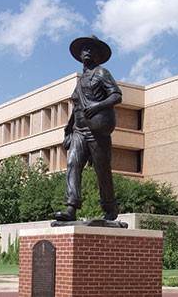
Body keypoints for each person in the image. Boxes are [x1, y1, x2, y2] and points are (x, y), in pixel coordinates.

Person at [55, 35, 122, 221]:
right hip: (79, 130)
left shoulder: (101, 73)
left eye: (92, 49)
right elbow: (77, 106)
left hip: (97, 130)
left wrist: (98, 106)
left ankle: (110, 207)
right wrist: (68, 129)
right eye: (85, 49)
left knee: (102, 170)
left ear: (99, 55)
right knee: (73, 163)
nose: (87, 52)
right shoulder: (81, 80)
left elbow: (117, 95)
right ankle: (71, 206)